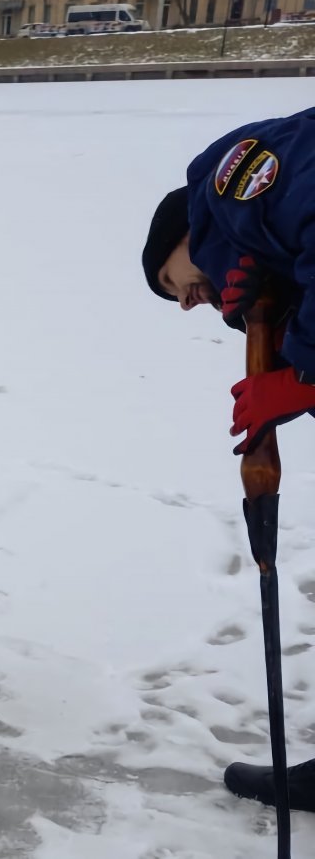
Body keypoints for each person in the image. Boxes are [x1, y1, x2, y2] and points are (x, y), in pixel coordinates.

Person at [142, 106, 315, 810]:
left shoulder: (226, 181)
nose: (184, 300)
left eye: (168, 277)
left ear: (183, 236)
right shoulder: (254, 228)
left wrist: (302, 367)